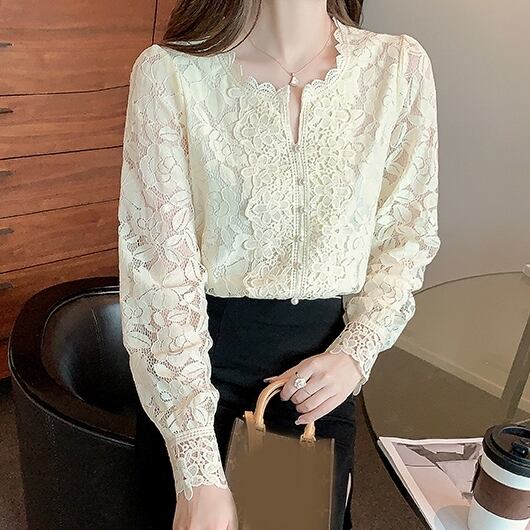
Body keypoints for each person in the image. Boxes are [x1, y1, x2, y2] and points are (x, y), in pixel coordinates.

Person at [117, 1, 441, 529]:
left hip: (319, 381)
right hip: (195, 373)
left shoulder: (397, 68)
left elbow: (405, 238)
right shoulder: (171, 73)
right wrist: (197, 468)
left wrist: (355, 352)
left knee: (292, 517)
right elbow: (158, 273)